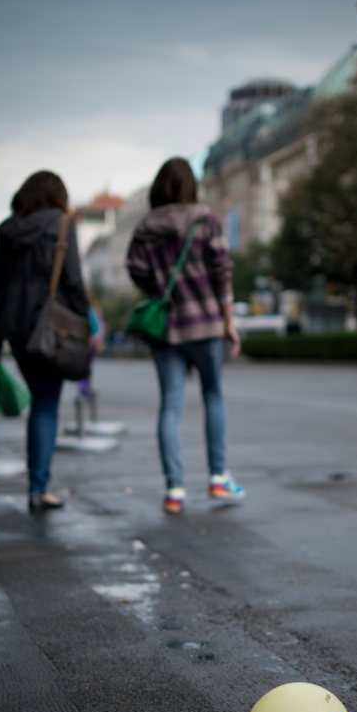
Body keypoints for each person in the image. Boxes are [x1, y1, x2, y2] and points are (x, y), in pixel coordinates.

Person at [126, 157, 244, 515]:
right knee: (213, 395)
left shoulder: (144, 229)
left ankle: (174, 490)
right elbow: (222, 273)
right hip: (206, 323)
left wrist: (161, 288)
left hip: (166, 330)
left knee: (171, 405)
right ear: (191, 186)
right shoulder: (206, 221)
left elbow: (137, 272)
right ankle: (218, 478)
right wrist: (229, 323)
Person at [0, 171, 89, 514]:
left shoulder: (6, 230)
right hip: (51, 327)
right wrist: (86, 323)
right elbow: (73, 280)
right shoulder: (62, 224)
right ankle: (39, 488)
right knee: (46, 404)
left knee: (40, 401)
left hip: (14, 325)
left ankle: (37, 485)